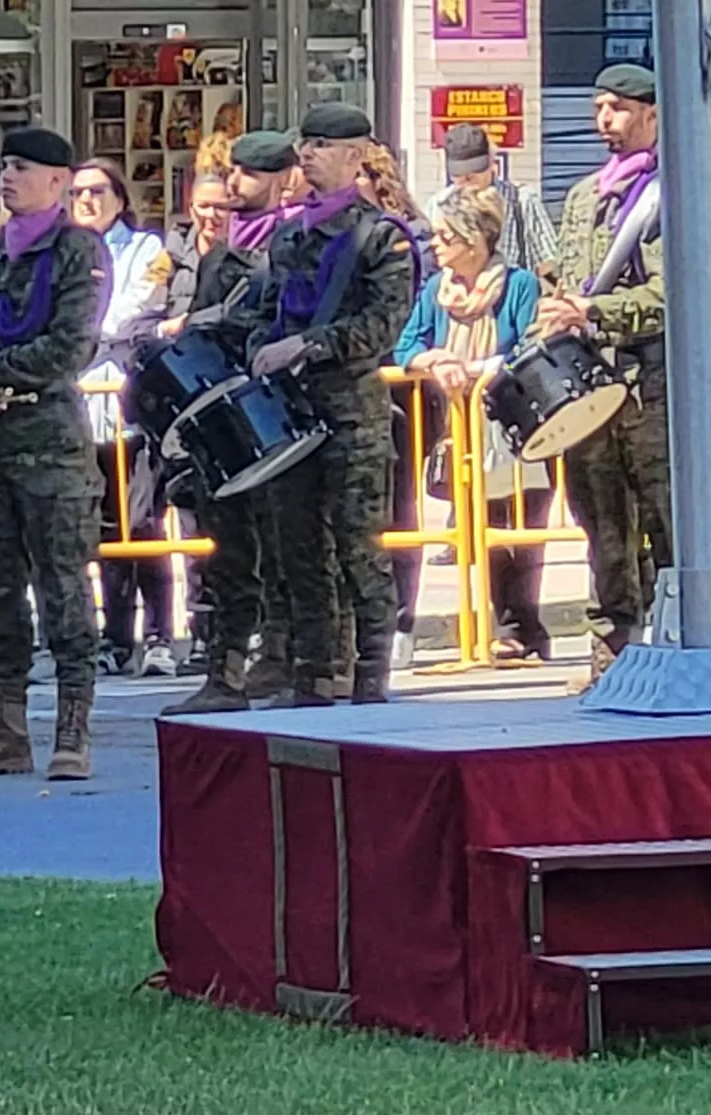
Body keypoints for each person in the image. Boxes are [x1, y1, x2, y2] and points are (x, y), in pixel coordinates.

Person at [0, 127, 105, 781]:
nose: (8, 177)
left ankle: (72, 729)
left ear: (59, 182)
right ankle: (1, 727)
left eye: (23, 168)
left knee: (62, 589)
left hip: (48, 443)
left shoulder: (76, 249)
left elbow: (68, 347)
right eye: (5, 166)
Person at [249, 105, 415, 707]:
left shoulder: (381, 237)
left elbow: (379, 326)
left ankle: (371, 674)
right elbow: (263, 310)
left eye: (322, 145)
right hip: (290, 414)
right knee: (298, 547)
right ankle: (316, 672)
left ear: (356, 156)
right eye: (306, 144)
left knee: (356, 547)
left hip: (351, 415)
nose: (309, 155)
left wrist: (308, 345)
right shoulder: (289, 233)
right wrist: (257, 348)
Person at [531, 63, 670, 691]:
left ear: (652, 116)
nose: (604, 122)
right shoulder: (586, 195)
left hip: (648, 388)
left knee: (663, 523)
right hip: (589, 389)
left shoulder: (675, 192)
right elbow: (567, 276)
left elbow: (674, 293)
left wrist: (595, 311)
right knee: (601, 524)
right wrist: (554, 306)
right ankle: (611, 649)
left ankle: (673, 644)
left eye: (617, 109)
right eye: (598, 110)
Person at [160, 132, 301, 715]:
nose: (233, 187)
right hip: (220, 424)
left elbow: (279, 320)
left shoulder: (292, 244)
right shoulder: (220, 255)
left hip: (271, 416)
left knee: (282, 552)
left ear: (278, 181)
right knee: (229, 555)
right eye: (231, 173)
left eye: (247, 176)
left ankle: (285, 660)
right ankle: (225, 673)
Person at [395, 188, 548, 661]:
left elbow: (527, 344)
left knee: (520, 524)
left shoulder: (518, 284)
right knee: (481, 524)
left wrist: (479, 370)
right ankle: (501, 623)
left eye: (446, 236)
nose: (436, 245)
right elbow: (405, 347)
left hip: (515, 421)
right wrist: (435, 359)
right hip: (460, 428)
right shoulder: (435, 291)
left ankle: (521, 625)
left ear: (475, 240)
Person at [71, 157, 175, 677]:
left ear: (119, 196)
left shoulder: (147, 249)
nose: (86, 201)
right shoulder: (68, 252)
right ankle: (115, 637)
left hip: (128, 409)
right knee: (104, 531)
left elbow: (133, 313)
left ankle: (159, 635)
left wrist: (88, 336)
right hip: (83, 409)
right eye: (78, 193)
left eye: (97, 191)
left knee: (143, 524)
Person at [356, 141, 436, 668]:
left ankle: (401, 617)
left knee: (399, 508)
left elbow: (411, 315)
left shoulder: (410, 240)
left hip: (399, 392)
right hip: (349, 394)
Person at [152, 169, 233, 673]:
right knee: (188, 527)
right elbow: (138, 318)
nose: (212, 214)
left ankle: (230, 636)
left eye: (221, 205)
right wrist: (167, 327)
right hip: (181, 408)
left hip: (229, 405)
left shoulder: (247, 257)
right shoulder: (170, 257)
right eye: (203, 205)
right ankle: (199, 633)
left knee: (231, 531)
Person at [427, 123, 559, 275]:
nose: (469, 177)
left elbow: (550, 262)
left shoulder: (522, 201)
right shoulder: (437, 206)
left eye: (476, 169)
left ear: (491, 162)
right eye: (460, 173)